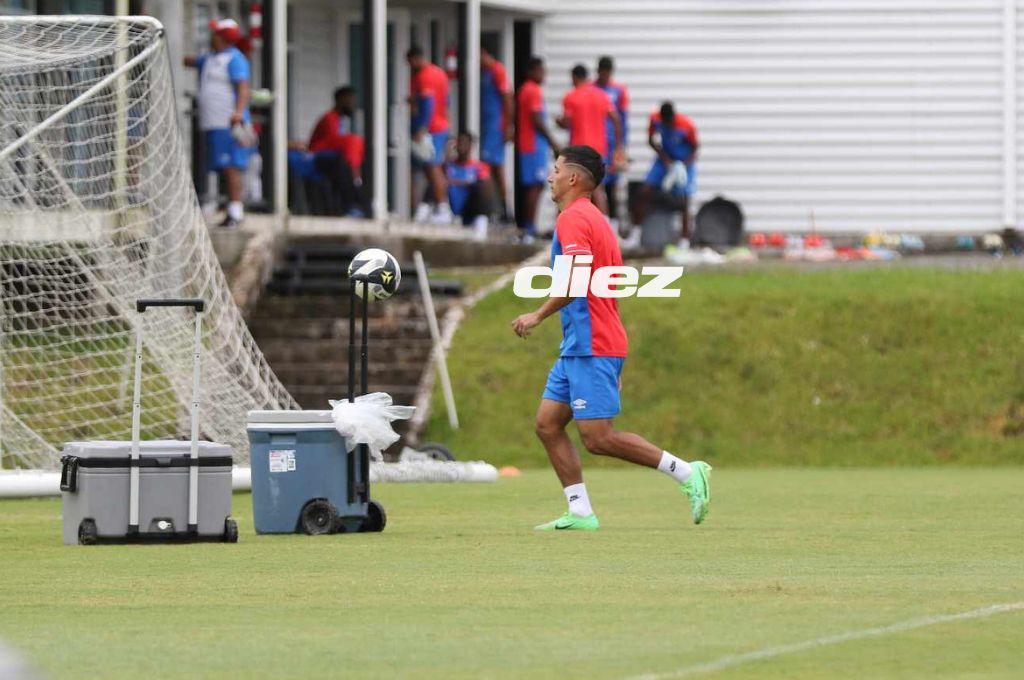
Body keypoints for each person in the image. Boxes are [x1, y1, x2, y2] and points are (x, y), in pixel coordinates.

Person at [510, 145, 711, 531]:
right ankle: (580, 511)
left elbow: (576, 280)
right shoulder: (593, 218)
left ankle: (688, 472)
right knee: (548, 424)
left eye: (556, 170)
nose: (550, 177)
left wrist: (536, 315)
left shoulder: (574, 219)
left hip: (593, 343)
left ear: (573, 178)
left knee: (598, 437)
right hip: (581, 344)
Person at [185, 18, 252, 228]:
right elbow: (188, 61)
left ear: (221, 37)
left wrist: (238, 113)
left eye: (215, 33)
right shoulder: (211, 58)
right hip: (211, 122)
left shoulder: (235, 59)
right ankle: (213, 204)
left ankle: (235, 211)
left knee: (231, 166)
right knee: (215, 165)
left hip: (227, 122)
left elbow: (243, 88)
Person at [556, 64, 623, 215]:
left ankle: (565, 224)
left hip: (578, 151)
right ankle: (605, 223)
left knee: (569, 189)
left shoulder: (571, 96)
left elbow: (567, 122)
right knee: (598, 189)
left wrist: (558, 122)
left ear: (574, 77)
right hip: (598, 149)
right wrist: (618, 147)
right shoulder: (601, 95)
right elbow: (616, 120)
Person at [633, 101, 700, 244]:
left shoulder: (686, 125)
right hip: (664, 160)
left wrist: (682, 166)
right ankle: (636, 235)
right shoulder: (655, 119)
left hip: (683, 163)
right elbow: (651, 140)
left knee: (684, 200)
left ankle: (684, 241)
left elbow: (695, 149)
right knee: (644, 191)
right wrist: (664, 158)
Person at [304, 86, 366, 215]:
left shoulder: (340, 120)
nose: (354, 104)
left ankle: (360, 203)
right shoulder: (329, 118)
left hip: (334, 160)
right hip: (316, 159)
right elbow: (330, 144)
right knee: (350, 148)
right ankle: (350, 206)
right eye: (351, 100)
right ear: (341, 99)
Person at [516, 57, 560, 242]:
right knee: (535, 185)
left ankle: (529, 227)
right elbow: (536, 119)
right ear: (532, 71)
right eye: (541, 71)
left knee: (535, 185)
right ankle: (529, 228)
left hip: (531, 145)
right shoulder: (532, 90)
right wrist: (553, 142)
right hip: (533, 145)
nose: (544, 75)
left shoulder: (526, 90)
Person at [407, 46, 452, 224]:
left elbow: (428, 103)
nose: (410, 66)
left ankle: (443, 206)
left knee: (433, 167)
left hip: (431, 129)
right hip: (440, 125)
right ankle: (433, 206)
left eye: (410, 62)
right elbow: (446, 101)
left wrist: (422, 128)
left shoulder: (425, 75)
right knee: (430, 167)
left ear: (416, 58)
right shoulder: (439, 73)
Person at [595, 56, 629, 231]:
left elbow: (623, 119)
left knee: (613, 185)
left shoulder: (618, 90)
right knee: (595, 183)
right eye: (603, 73)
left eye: (608, 73)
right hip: (596, 143)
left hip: (613, 145)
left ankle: (613, 226)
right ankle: (598, 224)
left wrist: (621, 146)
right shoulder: (592, 89)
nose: (605, 76)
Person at [480, 49, 513, 222]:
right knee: (489, 166)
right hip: (485, 125)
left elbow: (507, 97)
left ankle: (502, 208)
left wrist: (508, 126)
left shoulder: (497, 70)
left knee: (493, 166)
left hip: (495, 126)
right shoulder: (482, 72)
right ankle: (495, 207)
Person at [445, 132, 493, 240]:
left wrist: (460, 183)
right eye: (459, 143)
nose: (462, 146)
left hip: (470, 208)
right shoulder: (448, 166)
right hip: (451, 207)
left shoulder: (479, 167)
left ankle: (481, 224)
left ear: (471, 146)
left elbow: (485, 186)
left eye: (465, 143)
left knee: (483, 186)